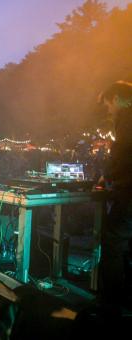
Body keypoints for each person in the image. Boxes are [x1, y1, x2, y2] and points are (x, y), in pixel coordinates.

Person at [97, 80, 132, 310]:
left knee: (112, 244)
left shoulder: (127, 118)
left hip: (129, 194)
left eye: (109, 104)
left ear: (118, 99)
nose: (109, 110)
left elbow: (123, 153)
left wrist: (106, 175)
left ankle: (109, 304)